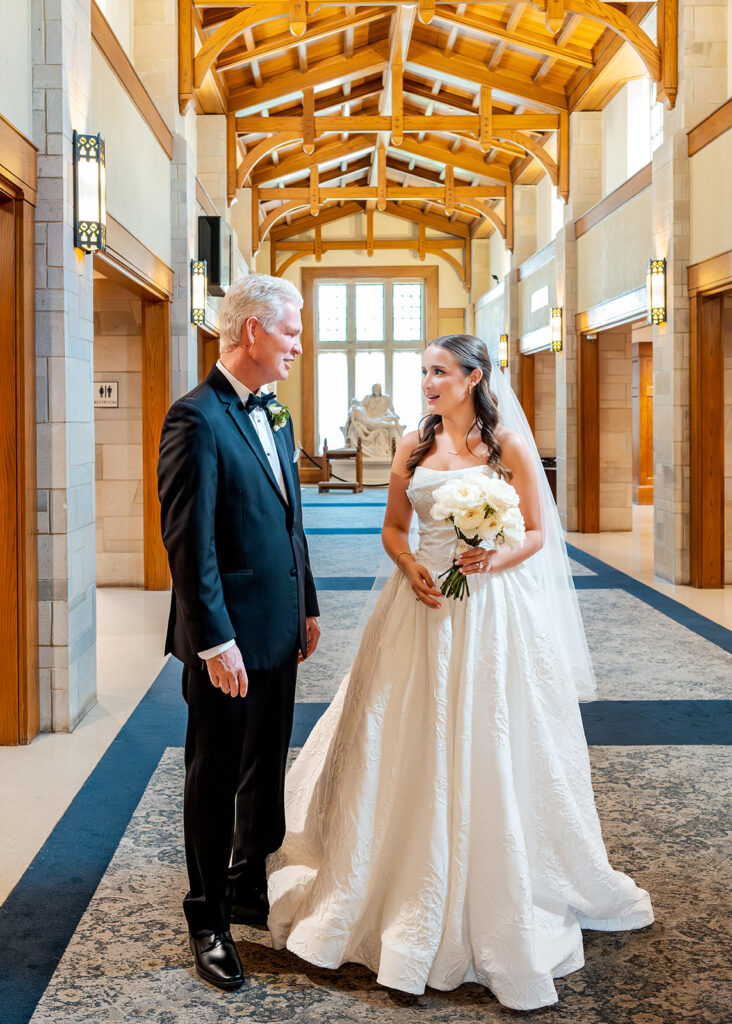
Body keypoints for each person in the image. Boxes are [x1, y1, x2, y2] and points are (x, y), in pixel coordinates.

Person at [266, 334, 653, 1011]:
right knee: (400, 735)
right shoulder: (414, 446)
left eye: (438, 371)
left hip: (487, 613)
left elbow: (535, 530)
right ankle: (390, 885)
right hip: (417, 609)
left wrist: (489, 560)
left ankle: (493, 893)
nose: (426, 382)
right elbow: (392, 527)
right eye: (422, 372)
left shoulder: (505, 448)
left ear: (473, 378)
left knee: (487, 738)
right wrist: (410, 563)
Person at [157, 274, 321, 991]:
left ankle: (250, 877)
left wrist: (307, 605)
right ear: (251, 331)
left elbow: (291, 520)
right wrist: (214, 641)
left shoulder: (276, 414)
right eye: (291, 331)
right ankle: (209, 916)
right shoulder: (195, 418)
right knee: (215, 775)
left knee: (266, 765)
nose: (298, 345)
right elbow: (190, 546)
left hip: (280, 628)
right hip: (225, 638)